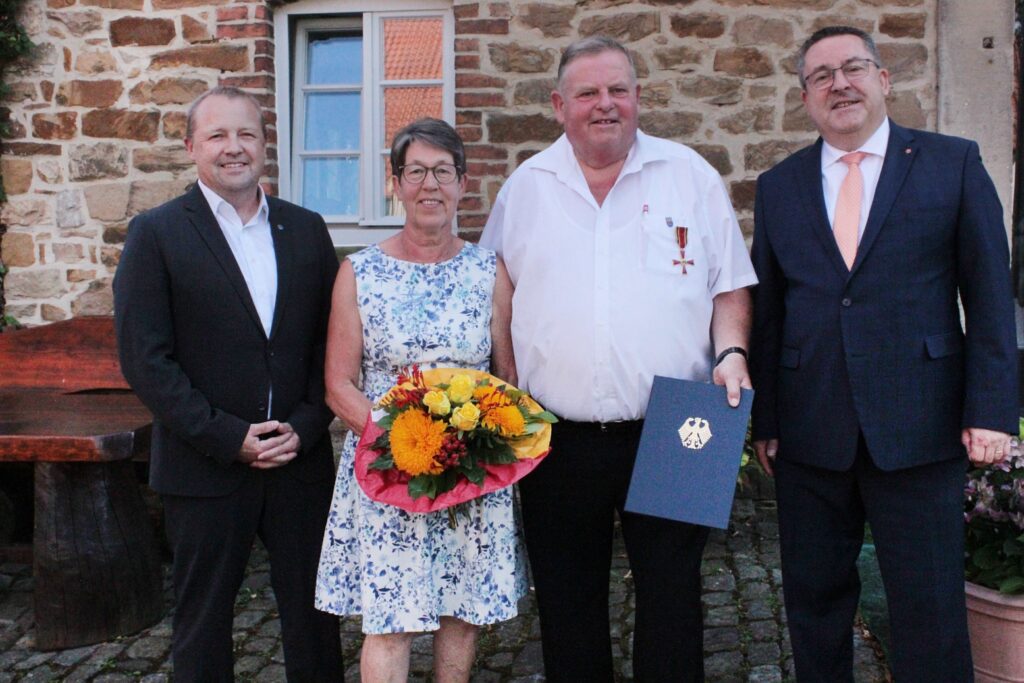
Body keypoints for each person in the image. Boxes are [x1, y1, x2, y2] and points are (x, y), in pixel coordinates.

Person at [480, 36, 756, 682]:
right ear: (558, 104)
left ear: (639, 98)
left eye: (618, 90)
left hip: (678, 424)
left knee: (673, 598)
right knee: (567, 600)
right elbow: (497, 283)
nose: (605, 104)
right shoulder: (525, 188)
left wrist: (734, 350)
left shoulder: (691, 176)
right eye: (588, 93)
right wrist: (504, 371)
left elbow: (730, 283)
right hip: (553, 433)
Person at [749, 25, 1018, 681]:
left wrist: (991, 411)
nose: (839, 83)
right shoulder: (778, 185)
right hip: (812, 433)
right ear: (805, 96)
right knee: (814, 603)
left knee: (928, 606)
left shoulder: (951, 162)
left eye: (854, 67)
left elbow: (988, 297)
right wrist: (769, 423)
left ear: (883, 79)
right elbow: (770, 311)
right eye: (821, 75)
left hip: (921, 425)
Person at [113, 86, 344, 681]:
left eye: (247, 134)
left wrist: (305, 424)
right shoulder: (157, 233)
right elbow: (147, 361)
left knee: (316, 620)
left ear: (265, 147)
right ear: (192, 147)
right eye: (218, 135)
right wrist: (227, 437)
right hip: (204, 467)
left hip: (299, 463)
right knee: (203, 623)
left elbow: (330, 345)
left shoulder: (307, 229)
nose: (233, 148)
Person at [314, 117, 525, 683]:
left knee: (462, 611)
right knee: (391, 617)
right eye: (416, 172)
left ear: (462, 183)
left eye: (442, 172)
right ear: (396, 183)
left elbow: (507, 378)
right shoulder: (359, 272)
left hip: (471, 471)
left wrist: (471, 445)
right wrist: (407, 444)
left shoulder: (489, 270)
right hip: (389, 471)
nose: (430, 185)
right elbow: (338, 384)